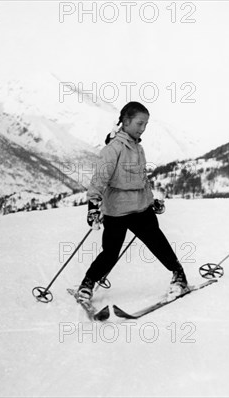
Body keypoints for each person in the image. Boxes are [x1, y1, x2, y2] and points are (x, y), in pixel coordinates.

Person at [75, 101, 189, 302]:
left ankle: (178, 275)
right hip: (116, 210)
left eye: (146, 124)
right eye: (139, 123)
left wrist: (152, 201)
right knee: (110, 252)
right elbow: (100, 178)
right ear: (126, 122)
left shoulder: (139, 148)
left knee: (157, 242)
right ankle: (88, 282)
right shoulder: (114, 148)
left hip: (140, 208)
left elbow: (142, 179)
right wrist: (93, 206)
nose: (143, 128)